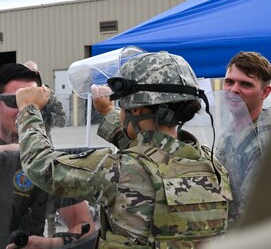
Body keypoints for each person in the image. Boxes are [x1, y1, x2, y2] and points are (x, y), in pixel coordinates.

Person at [16, 51, 233, 248]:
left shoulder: (119, 171)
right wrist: (109, 111)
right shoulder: (212, 165)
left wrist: (28, 110)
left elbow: (41, 165)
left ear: (136, 109)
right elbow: (152, 154)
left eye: (122, 105)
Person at [0, 63, 95, 249]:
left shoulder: (45, 155)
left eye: (33, 104)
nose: (24, 110)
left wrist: (49, 244)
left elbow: (84, 225)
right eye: (17, 102)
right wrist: (15, 150)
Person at [215, 51, 271, 226]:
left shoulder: (264, 139)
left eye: (245, 84)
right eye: (229, 82)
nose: (233, 90)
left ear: (265, 92)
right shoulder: (229, 133)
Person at [23, 60, 66, 237]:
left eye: (33, 73)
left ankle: (51, 231)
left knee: (46, 192)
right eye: (26, 72)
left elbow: (62, 120)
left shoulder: (47, 94)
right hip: (19, 148)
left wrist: (45, 115)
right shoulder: (17, 93)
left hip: (43, 147)